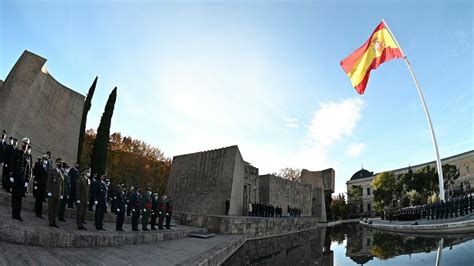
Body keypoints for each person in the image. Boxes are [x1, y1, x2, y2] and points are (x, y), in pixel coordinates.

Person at [9, 137, 31, 221]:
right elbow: (12, 163)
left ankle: (18, 214)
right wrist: (11, 175)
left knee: (19, 197)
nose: (25, 145)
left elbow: (28, 170)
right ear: (22, 143)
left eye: (27, 144)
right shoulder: (17, 152)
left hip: (22, 180)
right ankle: (14, 213)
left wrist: (27, 180)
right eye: (24, 143)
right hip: (15, 178)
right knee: (14, 196)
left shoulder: (27, 156)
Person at [47, 158, 64, 227]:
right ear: (56, 163)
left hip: (58, 194)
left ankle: (54, 221)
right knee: (51, 208)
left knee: (56, 209)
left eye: (62, 163)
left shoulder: (61, 173)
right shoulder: (52, 171)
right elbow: (49, 182)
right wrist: (48, 191)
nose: (61, 164)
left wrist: (62, 193)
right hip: (52, 192)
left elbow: (62, 184)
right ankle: (50, 221)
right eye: (60, 162)